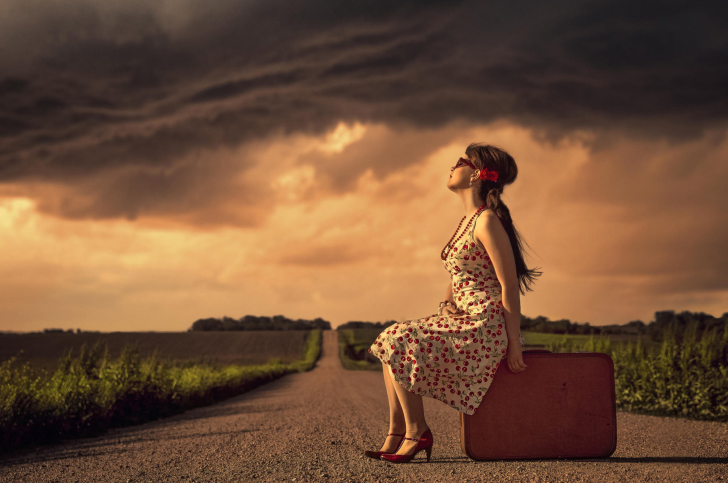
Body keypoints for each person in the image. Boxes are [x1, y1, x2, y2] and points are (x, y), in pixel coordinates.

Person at [364, 143, 543, 464]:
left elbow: (509, 284)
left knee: (398, 338)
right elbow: (460, 273)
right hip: (462, 317)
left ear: (475, 174)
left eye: (458, 162)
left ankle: (417, 432)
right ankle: (396, 431)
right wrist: (446, 305)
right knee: (388, 339)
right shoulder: (470, 220)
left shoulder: (487, 221)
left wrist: (514, 342)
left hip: (484, 324)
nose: (451, 167)